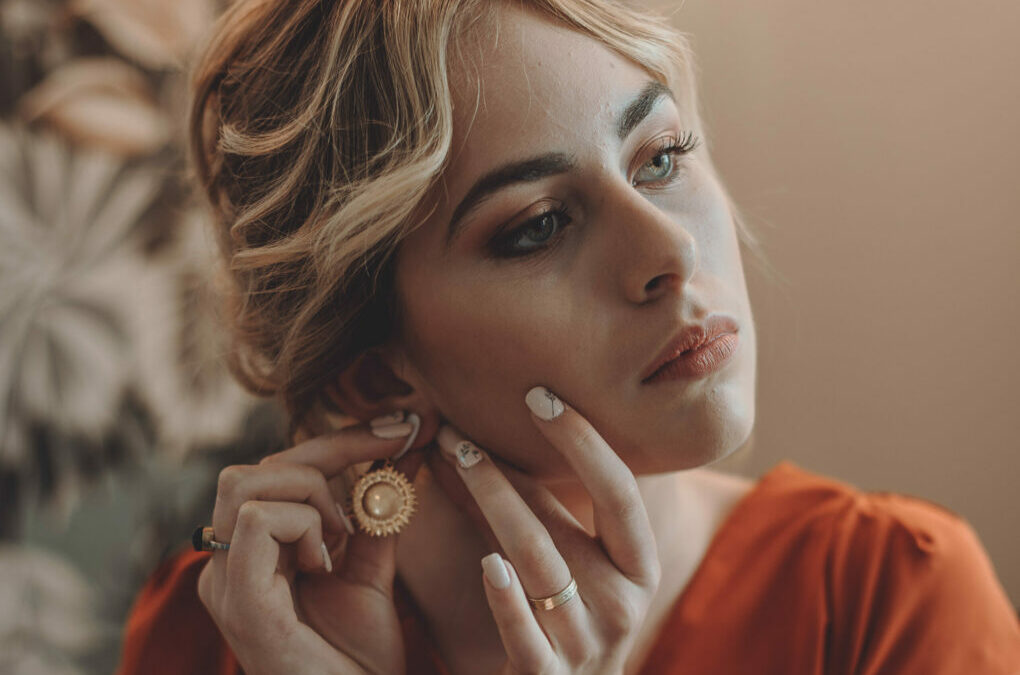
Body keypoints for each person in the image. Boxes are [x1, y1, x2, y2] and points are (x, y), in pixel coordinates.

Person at [117, 0, 1020, 673]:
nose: (671, 250)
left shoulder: (885, 599)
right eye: (540, 226)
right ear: (374, 375)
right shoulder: (225, 636)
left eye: (660, 158)